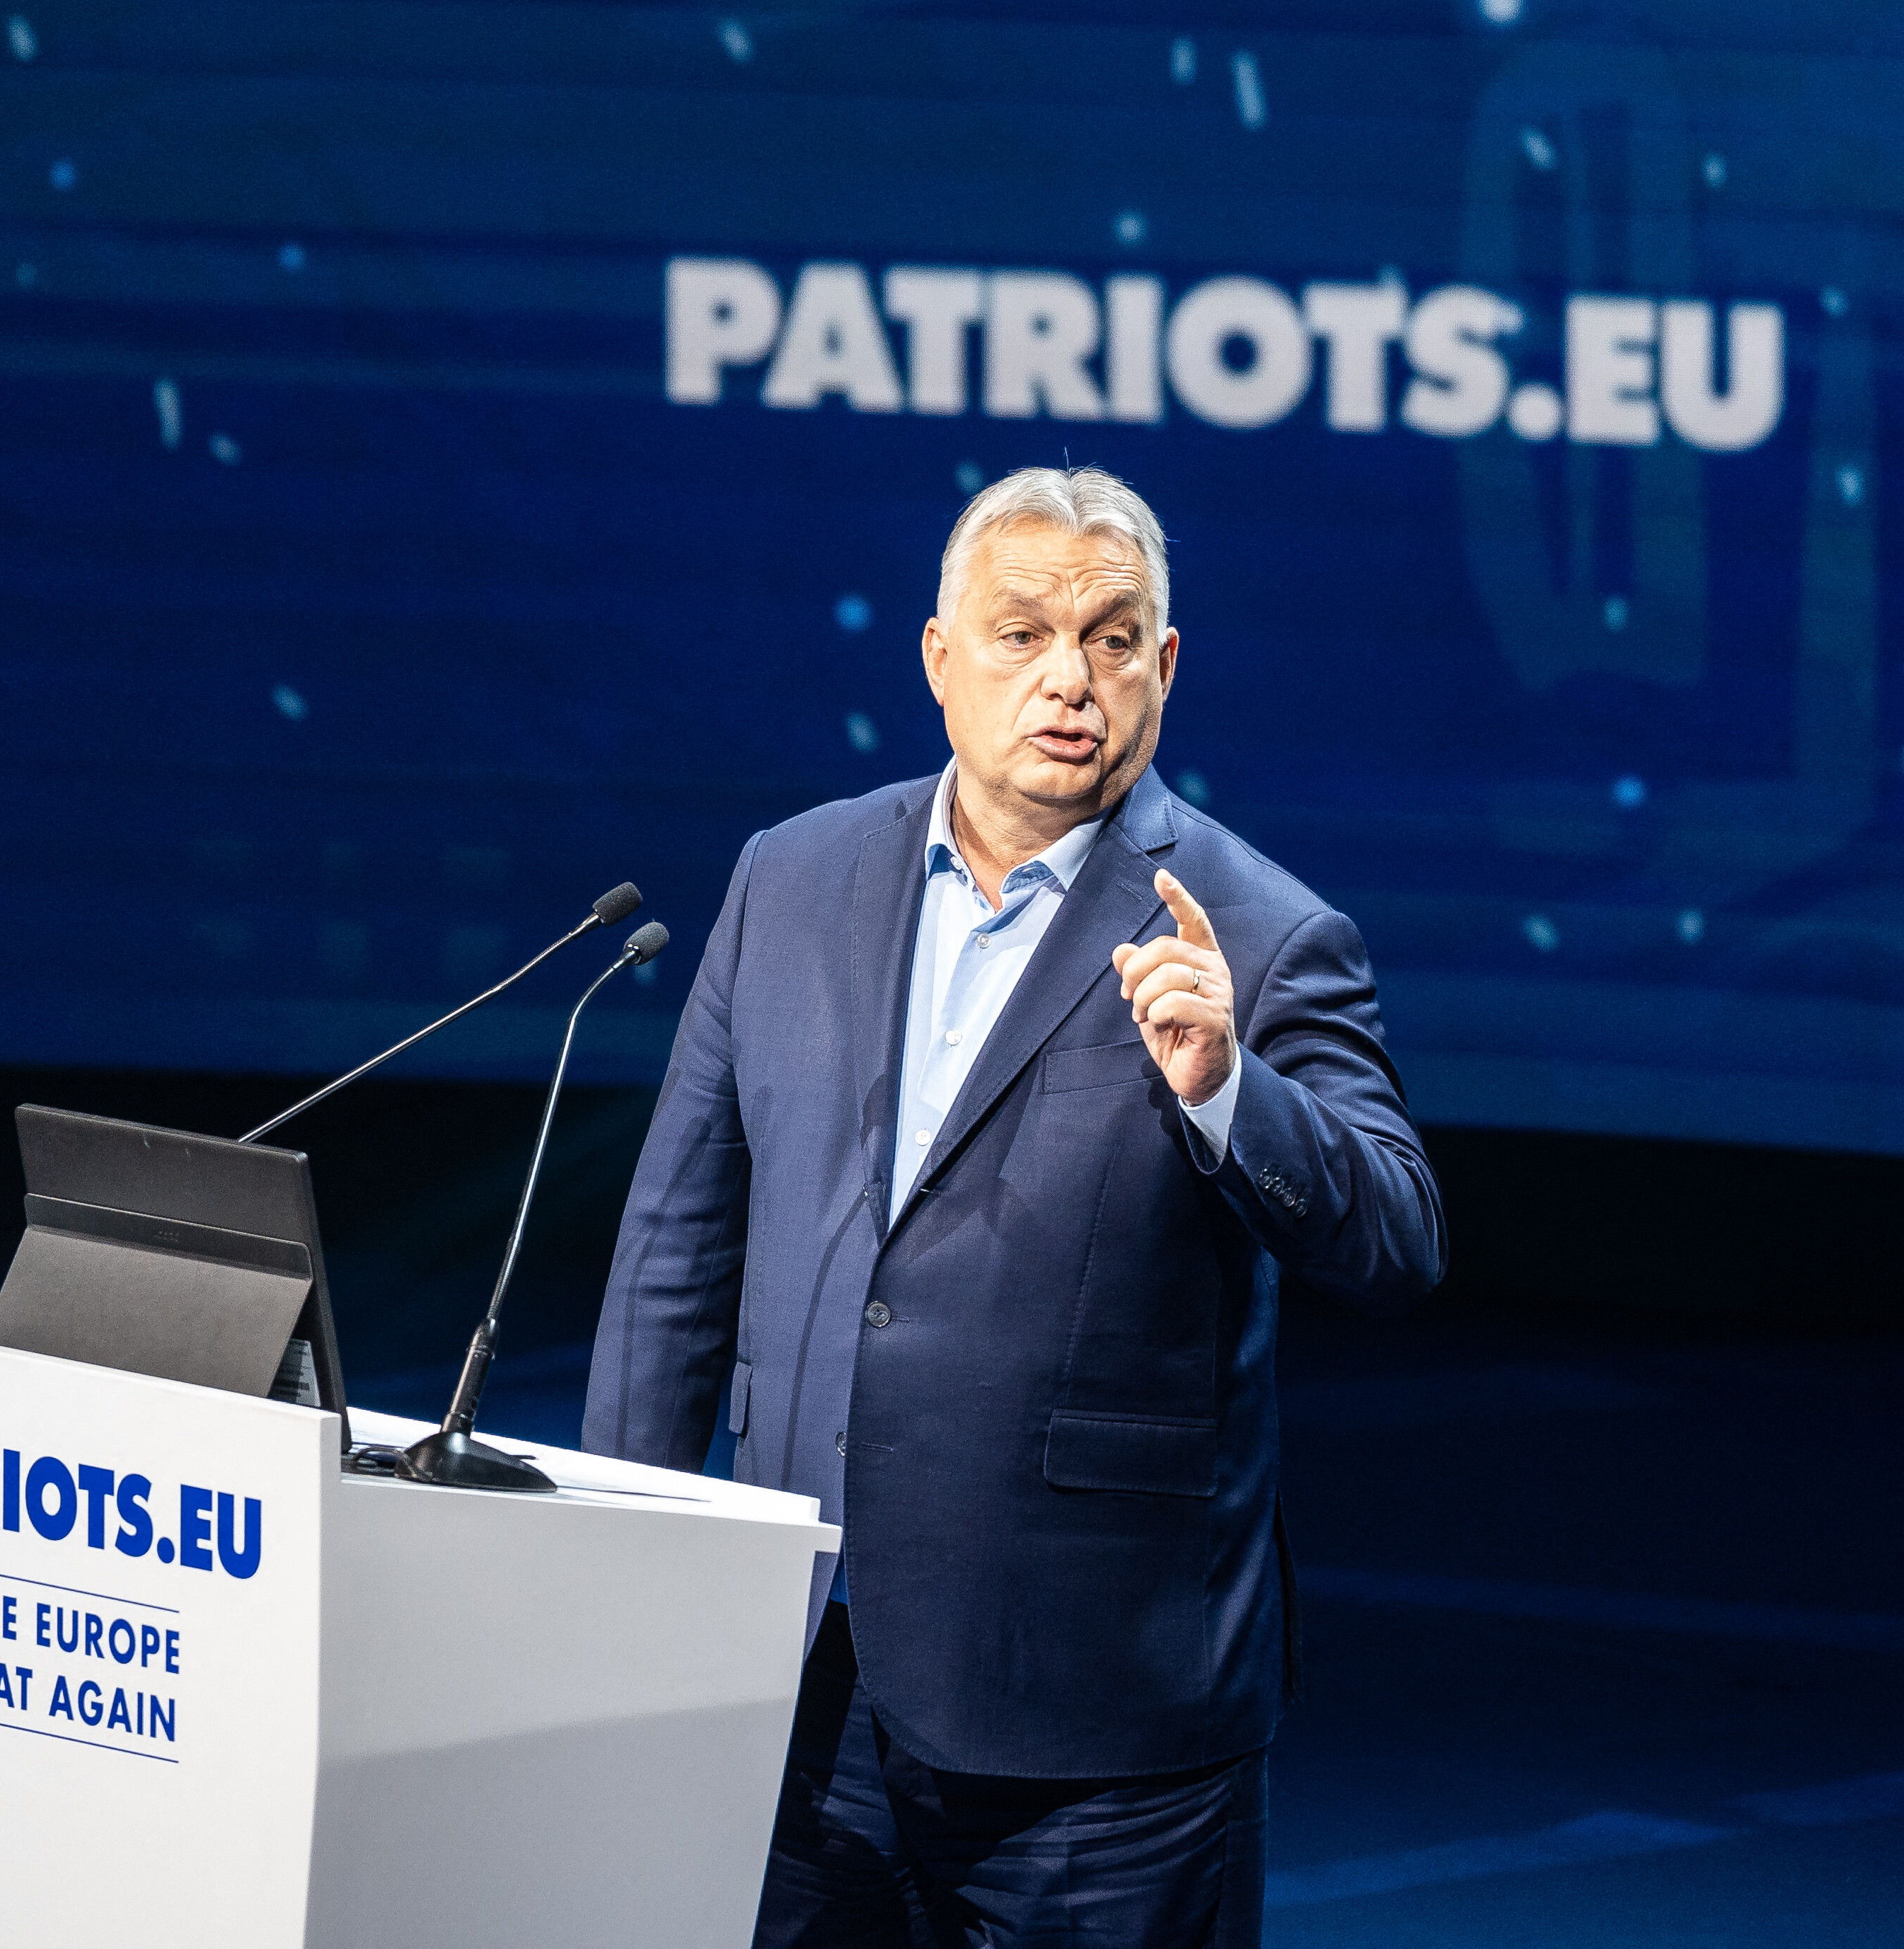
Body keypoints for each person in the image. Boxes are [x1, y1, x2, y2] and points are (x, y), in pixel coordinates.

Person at [582, 466, 1446, 1946]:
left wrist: (1230, 1089)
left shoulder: (1263, 932)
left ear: (1164, 668)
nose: (1070, 679)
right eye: (1022, 634)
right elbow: (677, 1252)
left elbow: (1398, 1237)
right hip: (798, 1686)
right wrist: (615, 1590)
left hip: (1102, 1732)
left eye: (1114, 640)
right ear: (938, 660)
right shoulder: (790, 881)